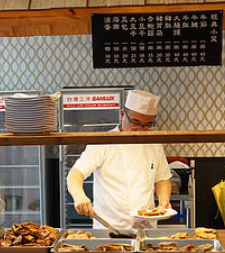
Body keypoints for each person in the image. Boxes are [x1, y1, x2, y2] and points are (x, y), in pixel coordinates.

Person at [66, 89, 172, 229]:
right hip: (110, 229)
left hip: (145, 228)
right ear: (122, 114)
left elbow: (162, 179)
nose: (140, 129)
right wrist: (79, 196)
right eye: (135, 122)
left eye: (147, 125)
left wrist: (164, 201)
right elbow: (75, 174)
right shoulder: (104, 142)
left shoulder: (154, 144)